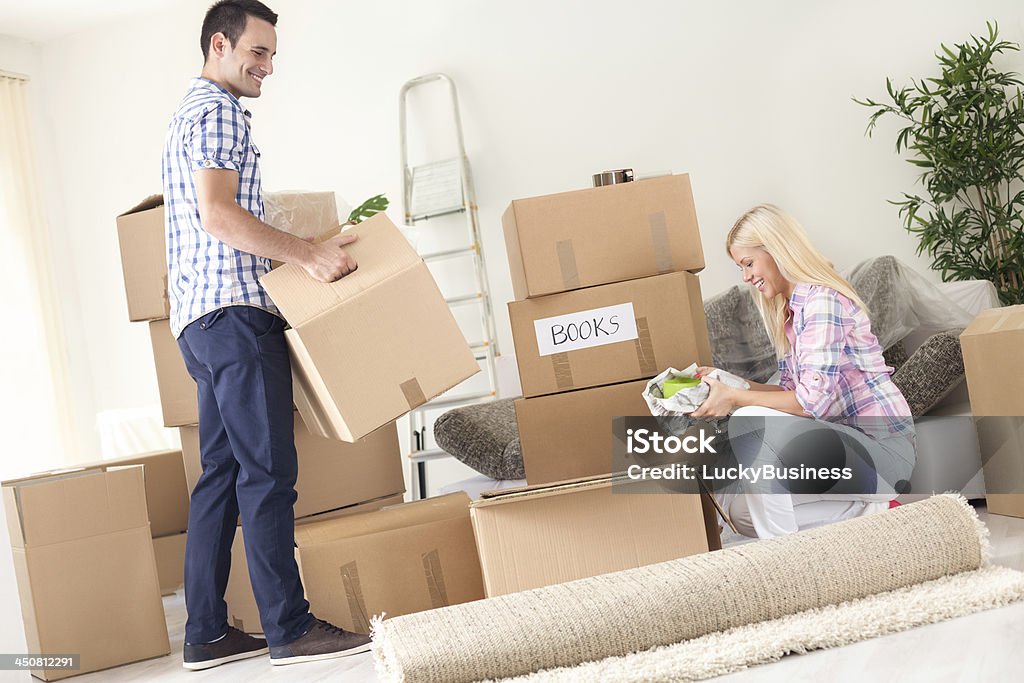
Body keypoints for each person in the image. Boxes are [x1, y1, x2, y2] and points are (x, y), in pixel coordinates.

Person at [163, 0, 369, 670]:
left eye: (272, 55)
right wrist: (308, 255)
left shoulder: (185, 115)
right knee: (268, 473)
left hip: (199, 323)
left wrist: (304, 246)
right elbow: (220, 216)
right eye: (258, 52)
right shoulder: (218, 111)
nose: (268, 67)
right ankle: (289, 625)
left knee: (221, 475)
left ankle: (206, 632)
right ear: (219, 45)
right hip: (234, 317)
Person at [691, 204, 915, 539]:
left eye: (748, 263)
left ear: (776, 249)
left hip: (881, 453)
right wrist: (727, 383)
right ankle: (874, 513)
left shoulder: (822, 301)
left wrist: (735, 400)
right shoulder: (790, 313)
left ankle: (785, 557)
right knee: (740, 512)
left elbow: (810, 405)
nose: (746, 277)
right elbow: (788, 395)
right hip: (842, 451)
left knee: (748, 420)